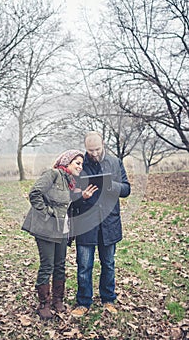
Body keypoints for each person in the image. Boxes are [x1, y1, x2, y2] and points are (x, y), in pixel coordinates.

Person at [22, 149, 97, 320]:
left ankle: (58, 300)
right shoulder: (53, 174)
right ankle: (44, 304)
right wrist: (48, 213)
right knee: (47, 265)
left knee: (60, 265)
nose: (80, 166)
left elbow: (66, 204)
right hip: (46, 228)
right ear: (67, 162)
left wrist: (82, 197)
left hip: (62, 229)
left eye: (82, 164)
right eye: (77, 163)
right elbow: (35, 194)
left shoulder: (71, 182)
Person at [71, 131, 131, 317]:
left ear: (103, 144)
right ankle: (83, 302)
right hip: (86, 223)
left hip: (109, 222)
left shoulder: (115, 162)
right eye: (90, 150)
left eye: (97, 149)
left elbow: (127, 189)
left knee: (109, 264)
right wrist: (82, 196)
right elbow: (71, 197)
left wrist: (111, 186)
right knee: (84, 266)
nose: (94, 153)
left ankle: (108, 299)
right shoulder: (78, 165)